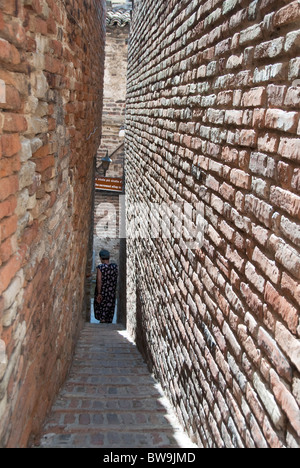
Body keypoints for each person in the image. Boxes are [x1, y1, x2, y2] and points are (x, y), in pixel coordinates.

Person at [94, 249, 118, 323]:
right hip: (111, 293)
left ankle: (102, 324)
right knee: (109, 310)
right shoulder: (115, 267)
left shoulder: (100, 267)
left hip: (103, 292)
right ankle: (108, 324)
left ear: (101, 258)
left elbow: (99, 280)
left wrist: (99, 293)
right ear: (109, 257)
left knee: (102, 310)